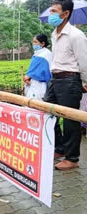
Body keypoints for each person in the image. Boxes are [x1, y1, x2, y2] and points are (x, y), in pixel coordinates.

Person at [44, 0, 87, 170]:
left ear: (65, 13)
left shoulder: (76, 35)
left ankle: (72, 158)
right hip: (55, 80)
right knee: (46, 112)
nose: (51, 14)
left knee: (70, 120)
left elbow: (84, 61)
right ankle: (60, 148)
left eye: (54, 11)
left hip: (70, 80)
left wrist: (85, 81)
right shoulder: (55, 34)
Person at [24, 34, 52, 100]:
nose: (33, 44)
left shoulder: (44, 55)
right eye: (33, 42)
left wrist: (28, 76)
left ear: (42, 43)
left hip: (40, 84)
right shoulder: (38, 54)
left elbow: (40, 71)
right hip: (33, 83)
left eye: (35, 42)